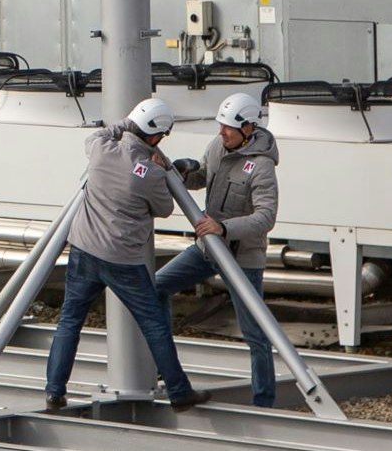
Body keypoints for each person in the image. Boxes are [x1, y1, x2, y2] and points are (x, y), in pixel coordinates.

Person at [42, 97, 202, 412]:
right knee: (154, 323)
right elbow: (165, 209)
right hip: (123, 260)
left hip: (84, 249)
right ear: (156, 138)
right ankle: (179, 392)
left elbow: (99, 135)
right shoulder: (150, 174)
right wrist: (165, 168)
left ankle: (54, 392)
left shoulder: (101, 149)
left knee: (70, 320)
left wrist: (124, 125)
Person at [155, 90, 282, 407]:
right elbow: (200, 176)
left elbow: (266, 218)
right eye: (220, 125)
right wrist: (178, 169)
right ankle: (163, 372)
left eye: (228, 127)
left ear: (248, 129)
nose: (221, 131)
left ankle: (264, 402)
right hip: (209, 248)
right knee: (155, 287)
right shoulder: (218, 146)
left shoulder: (262, 167)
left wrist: (224, 227)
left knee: (255, 333)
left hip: (242, 258)